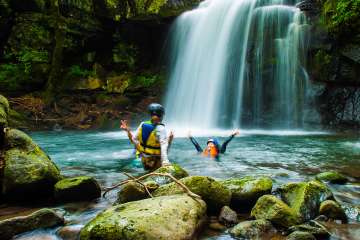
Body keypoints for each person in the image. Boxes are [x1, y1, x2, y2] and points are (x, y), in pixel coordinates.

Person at [120, 103, 173, 170]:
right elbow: (163, 147)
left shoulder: (143, 124)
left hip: (144, 159)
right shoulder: (161, 128)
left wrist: (127, 130)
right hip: (155, 161)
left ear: (150, 114)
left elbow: (134, 140)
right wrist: (165, 162)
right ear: (162, 115)